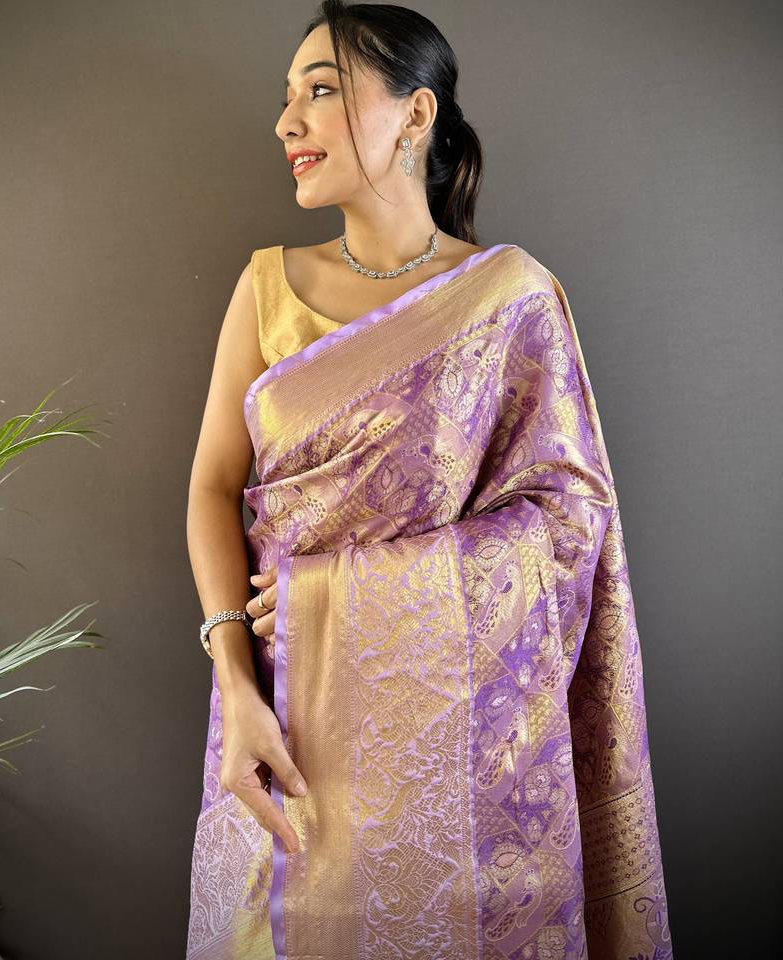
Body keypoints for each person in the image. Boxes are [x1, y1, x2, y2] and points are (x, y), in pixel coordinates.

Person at [185, 2, 673, 958]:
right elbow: (211, 488)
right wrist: (235, 680)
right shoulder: (266, 287)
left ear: (416, 114)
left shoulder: (510, 300)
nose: (286, 122)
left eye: (320, 91)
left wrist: (352, 598)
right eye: (286, 98)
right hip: (278, 722)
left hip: (458, 745)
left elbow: (571, 525)